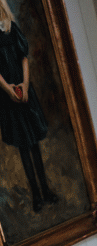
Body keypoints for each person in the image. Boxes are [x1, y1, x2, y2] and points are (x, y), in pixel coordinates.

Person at [0, 1, 57, 213]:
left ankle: (46, 190)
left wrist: (24, 84)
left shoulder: (11, 27)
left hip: (24, 90)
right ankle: (36, 196)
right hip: (8, 94)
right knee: (23, 145)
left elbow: (23, 58)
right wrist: (9, 90)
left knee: (34, 144)